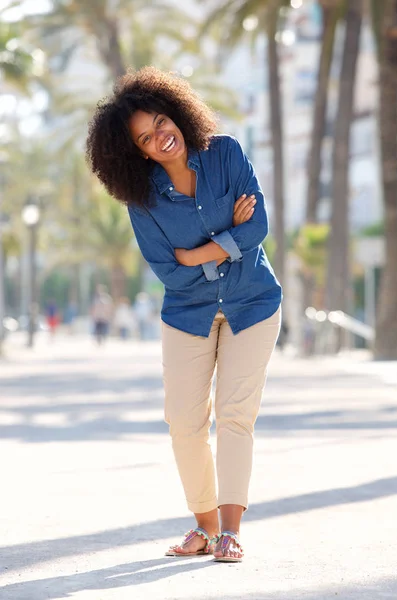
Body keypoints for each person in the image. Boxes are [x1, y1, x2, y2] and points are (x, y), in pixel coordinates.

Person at [86, 67, 282, 562]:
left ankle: (231, 532)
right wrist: (225, 245)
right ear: (139, 152)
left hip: (253, 304)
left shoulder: (227, 153)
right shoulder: (142, 198)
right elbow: (168, 273)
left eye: (160, 122)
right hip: (187, 315)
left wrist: (197, 253)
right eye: (146, 138)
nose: (160, 137)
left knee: (236, 417)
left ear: (175, 112)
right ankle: (205, 527)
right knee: (184, 423)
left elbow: (257, 225)